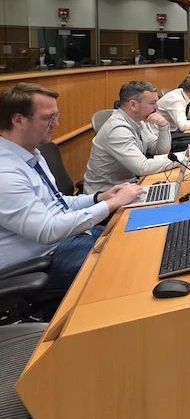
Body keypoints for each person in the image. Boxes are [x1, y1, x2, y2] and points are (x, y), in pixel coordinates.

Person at [0, 83, 144, 289]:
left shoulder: (31, 153)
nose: (56, 124)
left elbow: (57, 203)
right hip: (41, 261)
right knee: (128, 266)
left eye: (56, 116)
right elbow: (47, 230)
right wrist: (112, 204)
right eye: (48, 118)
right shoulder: (5, 173)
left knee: (134, 238)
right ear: (18, 120)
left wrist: (100, 197)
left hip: (66, 240)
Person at [84, 81, 190, 195]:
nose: (157, 107)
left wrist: (164, 126)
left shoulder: (139, 122)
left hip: (129, 186)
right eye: (152, 103)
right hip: (107, 195)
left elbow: (160, 151)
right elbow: (142, 167)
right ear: (133, 105)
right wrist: (183, 157)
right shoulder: (117, 130)